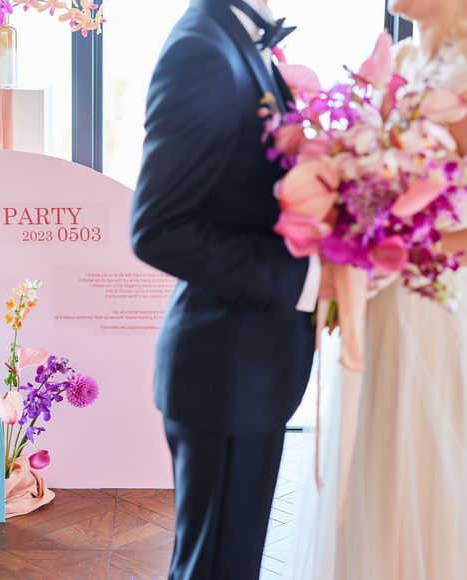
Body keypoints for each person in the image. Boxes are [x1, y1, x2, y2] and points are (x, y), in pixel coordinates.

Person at [130, 0, 319, 577]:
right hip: (227, 372)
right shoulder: (202, 51)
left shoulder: (231, 41)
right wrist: (304, 280)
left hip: (249, 369)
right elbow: (158, 229)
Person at [286, 1, 467, 578]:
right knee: (373, 453)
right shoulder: (403, 59)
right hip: (379, 294)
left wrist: (412, 249)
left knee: (428, 457)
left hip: (436, 298)